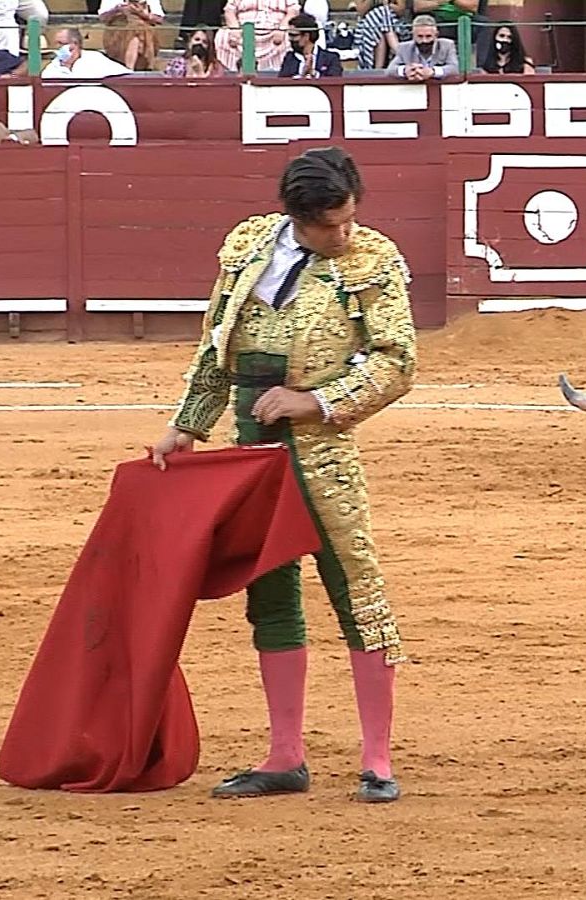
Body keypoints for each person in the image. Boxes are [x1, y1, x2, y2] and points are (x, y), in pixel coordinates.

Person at [149, 146, 417, 804]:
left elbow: (397, 361)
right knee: (269, 595)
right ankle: (284, 757)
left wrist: (317, 401)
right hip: (252, 450)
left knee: (356, 591)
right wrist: (187, 425)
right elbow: (216, 346)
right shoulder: (247, 246)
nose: (344, 234)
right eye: (330, 226)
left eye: (350, 218)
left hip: (321, 451)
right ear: (296, 217)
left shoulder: (373, 259)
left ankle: (377, 761)